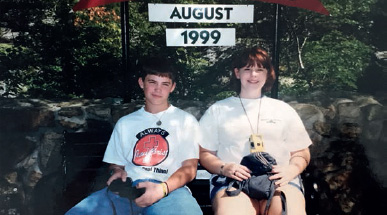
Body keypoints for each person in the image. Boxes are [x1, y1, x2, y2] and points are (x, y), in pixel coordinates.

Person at [65, 57, 203, 215]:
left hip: (169, 190)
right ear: (141, 83)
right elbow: (116, 164)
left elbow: (189, 169)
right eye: (152, 82)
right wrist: (117, 172)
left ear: (172, 87)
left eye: (165, 84)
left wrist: (160, 190)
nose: (158, 89)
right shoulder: (125, 123)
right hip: (127, 192)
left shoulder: (186, 121)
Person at [199, 47, 312, 215]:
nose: (253, 75)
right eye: (247, 69)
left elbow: (302, 153)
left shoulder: (283, 109)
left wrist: (292, 170)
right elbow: (204, 153)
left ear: (268, 74)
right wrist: (224, 167)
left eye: (260, 70)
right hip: (233, 181)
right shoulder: (218, 110)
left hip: (279, 181)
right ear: (237, 73)